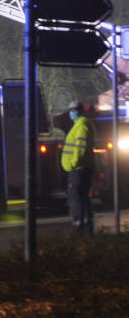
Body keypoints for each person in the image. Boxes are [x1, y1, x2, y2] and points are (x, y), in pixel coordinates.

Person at [61, 99, 95, 234]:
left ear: (76, 111)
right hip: (82, 167)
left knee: (75, 196)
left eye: (72, 111)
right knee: (82, 196)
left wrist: (73, 163)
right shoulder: (81, 124)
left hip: (79, 169)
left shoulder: (81, 125)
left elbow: (80, 147)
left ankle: (78, 224)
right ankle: (86, 224)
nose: (70, 113)